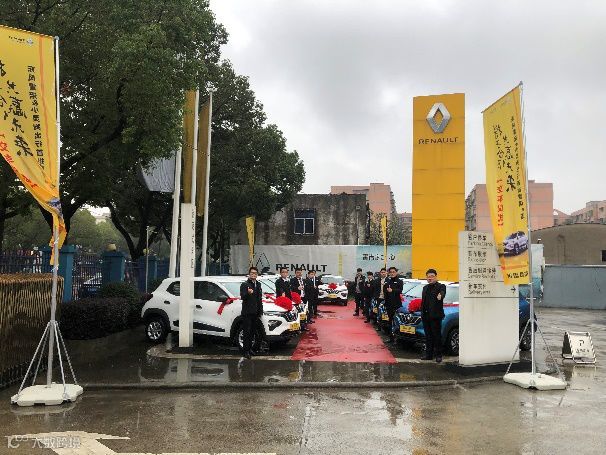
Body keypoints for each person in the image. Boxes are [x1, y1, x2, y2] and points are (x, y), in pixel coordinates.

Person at [420, 268, 447, 363]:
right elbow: (423, 301)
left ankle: (439, 355)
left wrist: (441, 295)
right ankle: (429, 355)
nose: (430, 278)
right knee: (428, 336)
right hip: (425, 316)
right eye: (428, 277)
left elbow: (443, 292)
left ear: (436, 277)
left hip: (435, 316)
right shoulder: (425, 288)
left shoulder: (441, 286)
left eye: (432, 276)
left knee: (437, 336)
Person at [239, 266, 263, 359]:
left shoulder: (258, 284)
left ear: (257, 275)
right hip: (247, 312)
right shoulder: (245, 284)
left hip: (255, 312)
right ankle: (245, 351)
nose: (253, 274)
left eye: (255, 273)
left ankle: (250, 349)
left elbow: (259, 298)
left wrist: (260, 311)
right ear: (249, 274)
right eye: (252, 273)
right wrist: (247, 293)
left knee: (252, 332)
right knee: (247, 332)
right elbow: (242, 297)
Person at [383, 266, 403, 343]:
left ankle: (398, 339)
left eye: (393, 272)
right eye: (390, 272)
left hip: (397, 305)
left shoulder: (399, 281)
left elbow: (400, 290)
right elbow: (385, 293)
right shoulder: (387, 281)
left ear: (396, 272)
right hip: (389, 305)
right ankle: (391, 338)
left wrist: (392, 290)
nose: (392, 273)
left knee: (397, 321)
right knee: (390, 321)